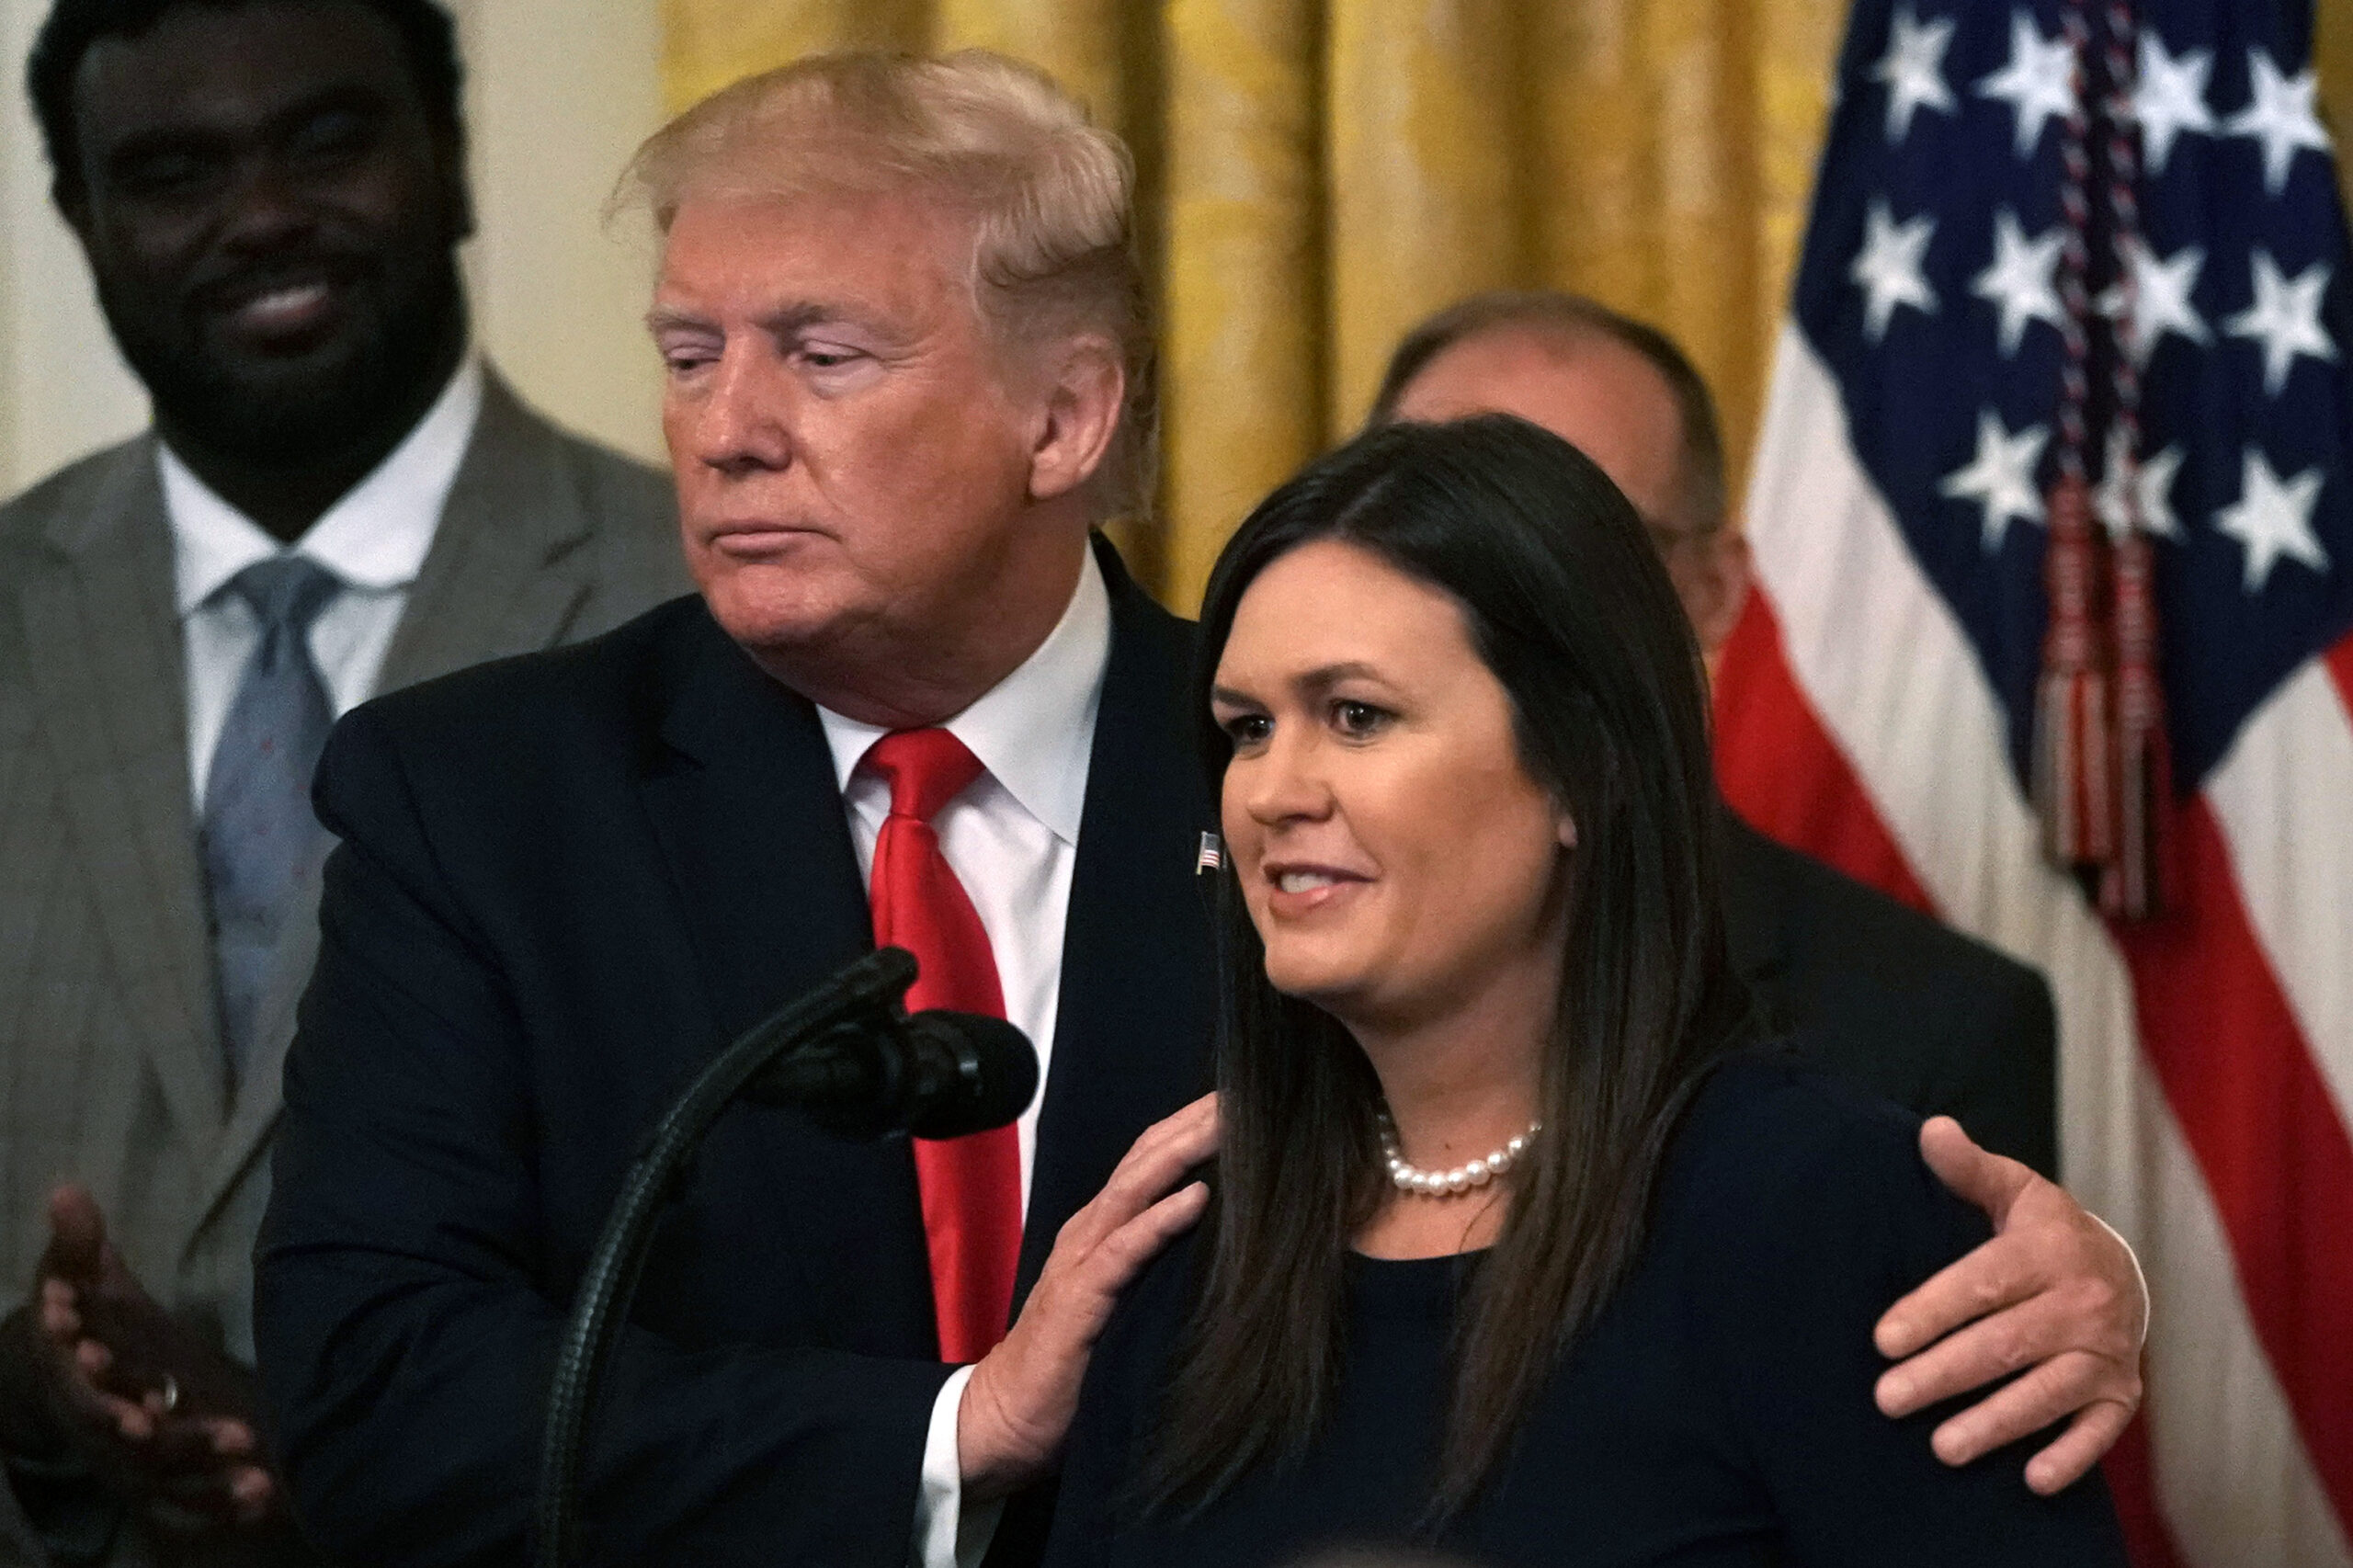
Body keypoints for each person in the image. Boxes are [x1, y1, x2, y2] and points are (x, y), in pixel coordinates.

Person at [253, 51, 2139, 1568]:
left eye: (821, 352)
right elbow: (370, 1397)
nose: (725, 424)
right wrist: (948, 1431)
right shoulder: (479, 800)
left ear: (1064, 416)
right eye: (689, 353)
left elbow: (1736, 1018)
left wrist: (2048, 1265)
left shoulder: (1314, 775)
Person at [1041, 415, 2130, 1567]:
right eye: (1248, 728)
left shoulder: (1819, 1211)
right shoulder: (1186, 1242)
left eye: (1355, 715)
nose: (1270, 790)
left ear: (1581, 767)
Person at [0, 0, 686, 1561]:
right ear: (84, 222)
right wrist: (38, 1394)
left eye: (325, 142)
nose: (259, 217)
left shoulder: (709, 608)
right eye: (173, 171)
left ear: (449, 163)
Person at [1370, 291, 2062, 1176]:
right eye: (1431, 538)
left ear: (1713, 589)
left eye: (1582, 544)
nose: (1495, 604)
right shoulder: (1245, 948)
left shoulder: (1933, 1031)